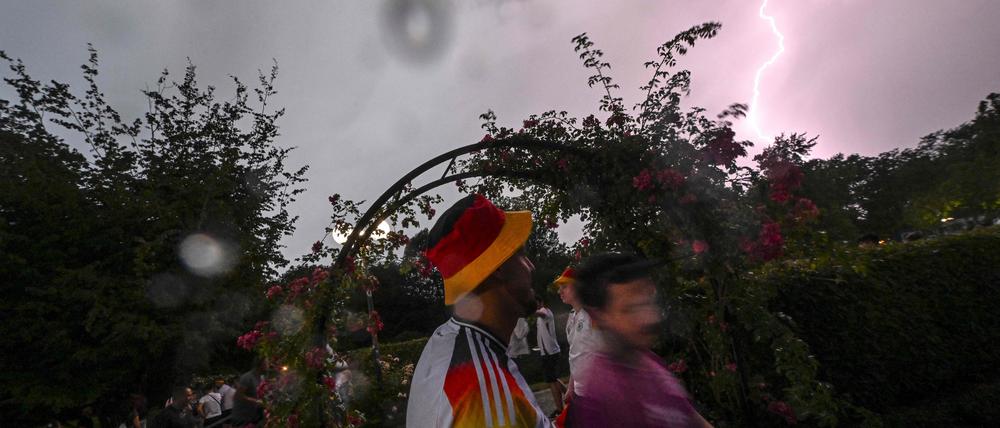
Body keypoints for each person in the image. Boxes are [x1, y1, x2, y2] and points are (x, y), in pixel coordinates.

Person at [406, 194, 551, 427]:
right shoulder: (486, 395)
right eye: (521, 254)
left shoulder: (451, 342)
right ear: (499, 268)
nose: (531, 266)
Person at [567, 253, 713, 428]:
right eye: (631, 309)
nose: (650, 318)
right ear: (599, 316)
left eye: (648, 303)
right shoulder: (603, 397)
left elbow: (690, 418)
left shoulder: (646, 359)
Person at [554, 267, 600, 402]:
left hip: (598, 390)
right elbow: (575, 355)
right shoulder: (572, 317)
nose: (559, 291)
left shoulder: (593, 315)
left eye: (564, 286)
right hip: (581, 391)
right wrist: (571, 388)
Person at [534, 296, 564, 417]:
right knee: (553, 379)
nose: (535, 305)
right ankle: (569, 397)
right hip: (548, 352)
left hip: (550, 352)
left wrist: (524, 307)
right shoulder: (541, 315)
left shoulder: (545, 312)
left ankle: (560, 409)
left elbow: (539, 314)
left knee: (551, 381)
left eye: (535, 303)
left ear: (541, 302)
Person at [230, 360, 265, 427]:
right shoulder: (247, 379)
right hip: (243, 416)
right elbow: (238, 396)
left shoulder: (259, 379)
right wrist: (256, 401)